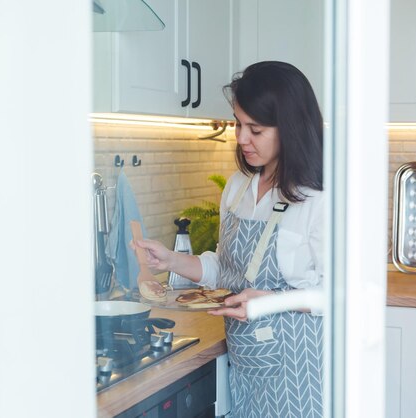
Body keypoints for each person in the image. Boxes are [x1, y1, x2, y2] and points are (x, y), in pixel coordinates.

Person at [134, 61, 324, 417]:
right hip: (247, 367)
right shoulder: (238, 188)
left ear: (291, 128)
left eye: (256, 129)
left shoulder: (318, 199)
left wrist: (268, 302)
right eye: (239, 124)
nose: (240, 139)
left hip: (301, 377)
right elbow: (225, 270)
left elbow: (339, 295)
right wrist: (171, 260)